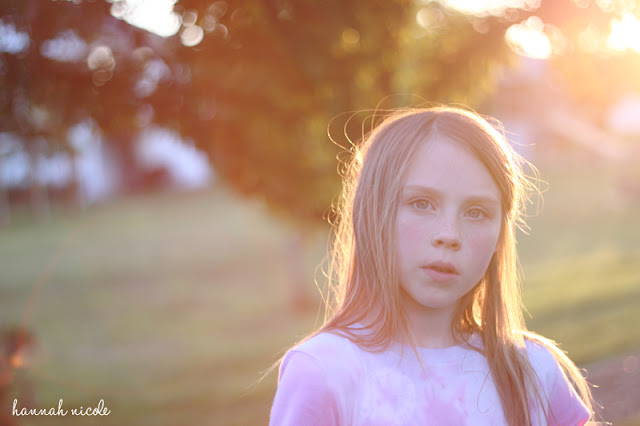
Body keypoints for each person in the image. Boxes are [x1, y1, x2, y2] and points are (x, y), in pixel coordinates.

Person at [269, 107, 594, 425]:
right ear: (372, 215)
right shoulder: (324, 371)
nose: (449, 235)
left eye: (477, 212)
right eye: (421, 204)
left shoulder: (533, 370)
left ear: (500, 235)